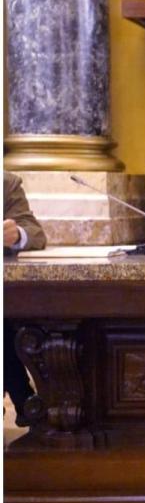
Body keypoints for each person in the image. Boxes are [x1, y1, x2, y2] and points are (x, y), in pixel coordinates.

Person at [4, 171, 48, 427]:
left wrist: (17, 235)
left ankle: (26, 401)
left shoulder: (5, 183)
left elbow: (36, 234)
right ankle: (24, 398)